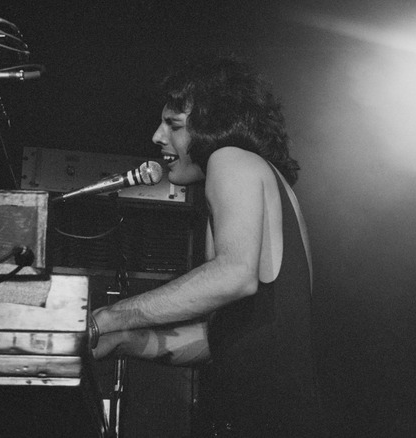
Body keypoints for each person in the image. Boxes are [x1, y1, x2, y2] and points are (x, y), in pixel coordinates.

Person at [90, 55, 326, 437]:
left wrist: (112, 317)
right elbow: (220, 340)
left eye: (173, 125)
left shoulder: (229, 160)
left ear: (213, 125)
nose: (157, 137)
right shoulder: (259, 178)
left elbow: (234, 276)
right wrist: (123, 341)